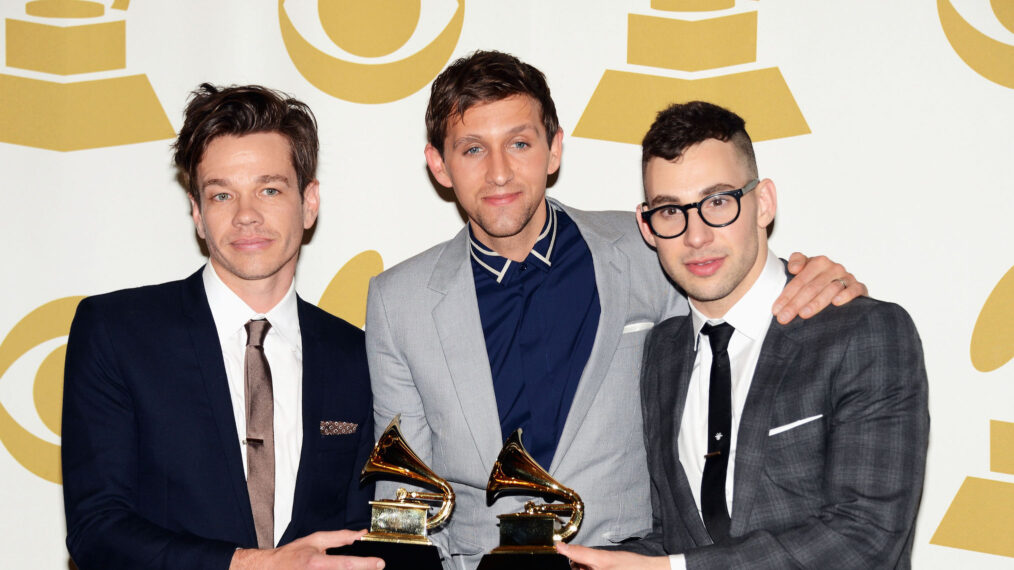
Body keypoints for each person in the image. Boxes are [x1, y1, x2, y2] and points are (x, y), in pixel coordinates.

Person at [365, 51, 867, 570]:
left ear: (554, 149)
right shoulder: (397, 302)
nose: (499, 173)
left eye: (519, 143)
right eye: (473, 149)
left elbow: (742, 287)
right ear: (439, 165)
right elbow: (404, 499)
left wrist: (809, 278)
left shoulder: (651, 246)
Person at [557, 101, 929, 569]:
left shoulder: (863, 333)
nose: (695, 236)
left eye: (717, 202)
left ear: (763, 203)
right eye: (671, 210)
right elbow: (678, 536)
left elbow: (866, 536)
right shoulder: (663, 352)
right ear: (647, 227)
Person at [62, 84, 383, 570]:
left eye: (269, 189)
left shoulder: (356, 356)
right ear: (197, 211)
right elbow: (97, 530)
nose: (246, 215)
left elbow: (367, 534)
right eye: (222, 194)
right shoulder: (117, 333)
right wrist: (249, 565)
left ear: (310, 201)